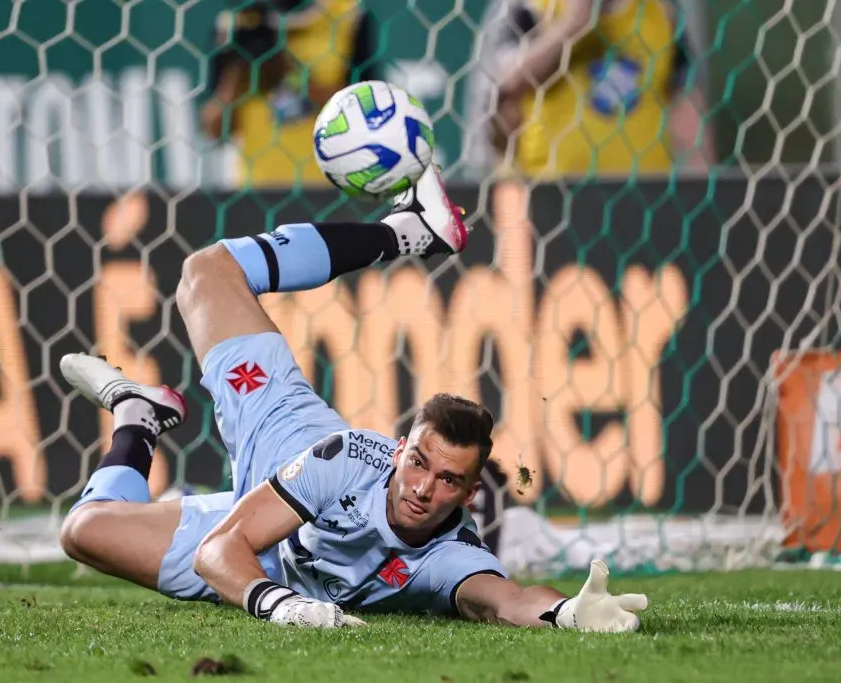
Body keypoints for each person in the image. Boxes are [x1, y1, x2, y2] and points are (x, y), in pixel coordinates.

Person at [58, 165, 649, 632]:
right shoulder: (346, 459)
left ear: (470, 496)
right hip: (279, 433)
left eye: (447, 481)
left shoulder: (449, 555)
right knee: (208, 271)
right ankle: (408, 232)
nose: (422, 488)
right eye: (418, 462)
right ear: (398, 451)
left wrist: (567, 613)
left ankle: (137, 417)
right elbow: (219, 553)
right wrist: (279, 606)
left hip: (261, 544)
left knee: (82, 531)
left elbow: (506, 600)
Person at [484, 0, 683, 178]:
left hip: (646, 193)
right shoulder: (530, 8)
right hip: (551, 191)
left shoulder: (661, 11)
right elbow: (508, 85)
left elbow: (688, 108)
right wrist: (575, 23)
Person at [200, 0, 380, 188]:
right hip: (254, 190)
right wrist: (238, 65)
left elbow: (363, 116)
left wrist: (285, 70)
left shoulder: (349, 16)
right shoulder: (238, 22)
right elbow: (214, 129)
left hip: (330, 188)